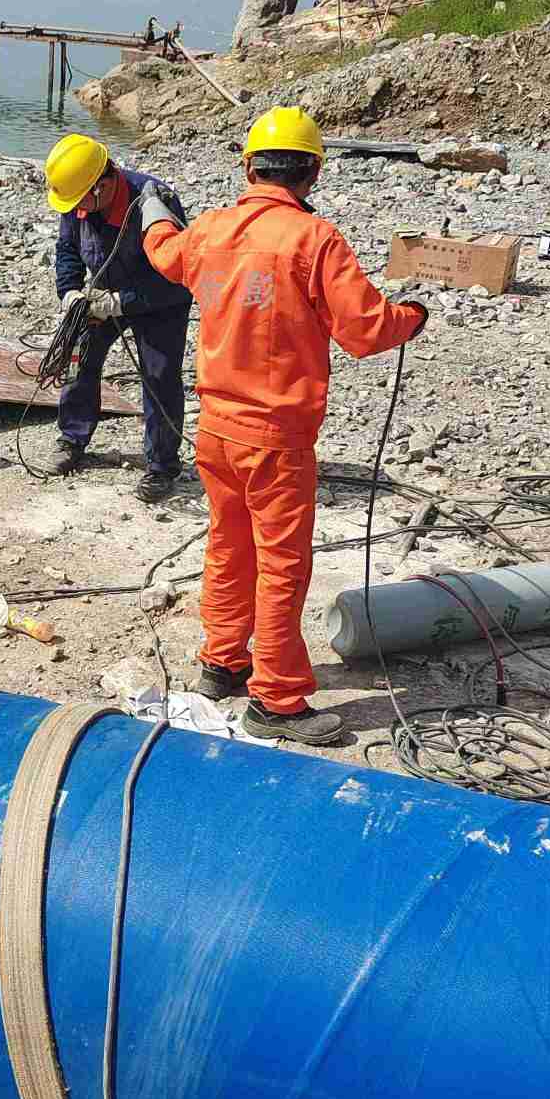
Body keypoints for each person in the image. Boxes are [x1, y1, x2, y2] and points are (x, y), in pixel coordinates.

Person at [135, 108, 428, 745]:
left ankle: (222, 661)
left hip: (215, 429)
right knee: (281, 565)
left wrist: (153, 208)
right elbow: (366, 331)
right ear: (313, 172)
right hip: (275, 437)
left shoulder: (210, 230)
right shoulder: (314, 240)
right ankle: (277, 700)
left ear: (249, 168)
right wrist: (413, 314)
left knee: (228, 545)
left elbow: (163, 253)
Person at [42, 133, 192, 504]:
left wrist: (120, 303)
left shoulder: (154, 202)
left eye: (81, 202)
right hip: (104, 293)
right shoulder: (79, 198)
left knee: (159, 375)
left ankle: (162, 465)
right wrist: (70, 292)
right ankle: (72, 437)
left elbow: (178, 276)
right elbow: (68, 248)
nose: (77, 210)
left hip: (161, 301)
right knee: (79, 356)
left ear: (103, 185)